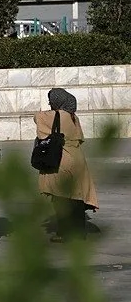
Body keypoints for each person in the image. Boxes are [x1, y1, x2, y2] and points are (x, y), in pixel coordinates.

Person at [34, 88, 98, 241]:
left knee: (61, 198)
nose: (49, 103)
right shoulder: (73, 117)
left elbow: (36, 117)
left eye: (51, 100)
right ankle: (79, 233)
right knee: (76, 198)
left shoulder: (55, 115)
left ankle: (65, 233)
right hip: (78, 159)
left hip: (63, 159)